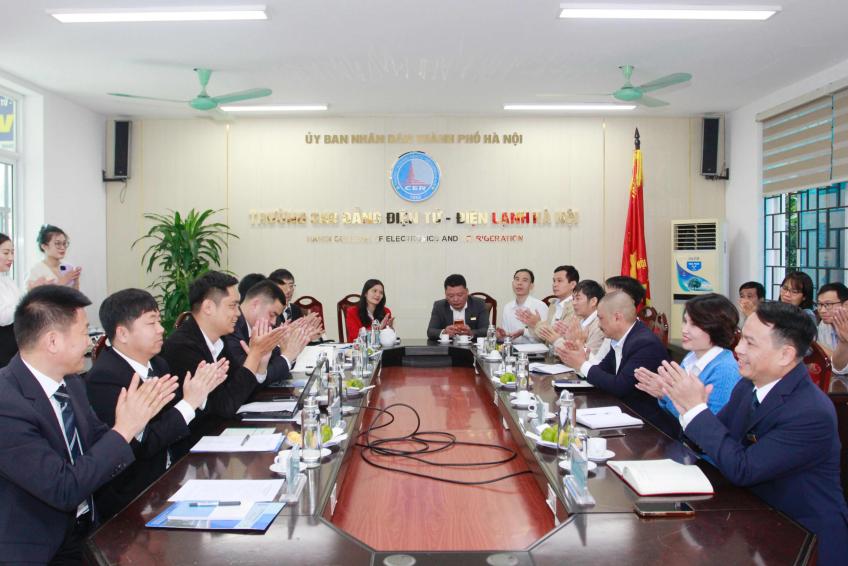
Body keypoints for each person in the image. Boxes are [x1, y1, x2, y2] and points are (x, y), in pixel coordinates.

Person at [656, 301, 848, 564]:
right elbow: (715, 440)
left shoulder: (810, 411)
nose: (738, 349)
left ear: (785, 355)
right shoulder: (748, 386)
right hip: (759, 522)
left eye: (750, 343)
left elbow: (743, 468)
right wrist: (689, 411)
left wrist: (697, 411)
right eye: (741, 339)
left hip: (805, 539)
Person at [0, 285, 176, 564]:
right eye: (84, 333)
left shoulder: (71, 383)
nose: (92, 343)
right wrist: (125, 428)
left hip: (88, 529)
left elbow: (100, 443)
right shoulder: (6, 402)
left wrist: (134, 424)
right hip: (39, 549)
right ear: (53, 341)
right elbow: (63, 488)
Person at [86, 288, 228, 520]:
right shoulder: (106, 378)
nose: (161, 329)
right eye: (151, 323)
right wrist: (189, 403)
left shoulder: (158, 364)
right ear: (122, 333)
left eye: (159, 321)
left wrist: (198, 395)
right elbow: (144, 444)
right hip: (135, 499)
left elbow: (173, 426)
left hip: (173, 477)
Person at [160, 271, 285, 440]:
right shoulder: (182, 347)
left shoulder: (220, 341)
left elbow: (242, 390)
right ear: (208, 307)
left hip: (221, 434)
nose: (238, 313)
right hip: (194, 444)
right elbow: (225, 406)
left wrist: (261, 363)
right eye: (232, 306)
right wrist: (254, 355)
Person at [556, 290, 679, 437]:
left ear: (617, 317)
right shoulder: (620, 339)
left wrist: (582, 364)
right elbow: (602, 371)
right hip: (626, 415)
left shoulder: (644, 343)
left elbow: (620, 386)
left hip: (651, 429)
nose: (599, 324)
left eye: (601, 318)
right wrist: (580, 359)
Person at [634, 293, 741, 420]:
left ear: (717, 328)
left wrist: (666, 395)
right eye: (685, 321)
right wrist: (664, 392)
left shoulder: (725, 370)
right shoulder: (692, 356)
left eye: (694, 324)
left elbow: (710, 424)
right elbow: (676, 415)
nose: (684, 329)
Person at [223, 279, 312, 384]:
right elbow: (249, 380)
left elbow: (271, 366)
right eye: (272, 314)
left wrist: (286, 350)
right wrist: (287, 356)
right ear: (256, 304)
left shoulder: (258, 328)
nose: (274, 322)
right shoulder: (231, 330)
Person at [516, 265, 579, 342]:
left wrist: (537, 324)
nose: (555, 284)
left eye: (559, 281)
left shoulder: (577, 307)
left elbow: (559, 338)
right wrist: (532, 325)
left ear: (572, 284)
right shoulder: (553, 305)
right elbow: (544, 339)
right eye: (554, 281)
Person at [426, 274, 490, 340]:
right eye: (451, 296)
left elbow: (486, 330)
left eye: (460, 295)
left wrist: (470, 333)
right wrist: (444, 332)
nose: (455, 299)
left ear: (467, 292)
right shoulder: (439, 306)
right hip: (448, 345)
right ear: (445, 294)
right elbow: (430, 331)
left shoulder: (479, 304)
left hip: (471, 345)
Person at [498, 269, 548, 344]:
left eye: (524, 280)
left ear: (531, 286)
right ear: (512, 283)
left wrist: (524, 332)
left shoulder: (540, 306)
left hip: (535, 350)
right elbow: (506, 337)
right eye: (517, 279)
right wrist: (501, 335)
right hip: (512, 349)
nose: (519, 283)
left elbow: (545, 336)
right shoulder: (507, 307)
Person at [26, 224, 81, 290]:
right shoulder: (36, 271)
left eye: (64, 243)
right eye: (57, 243)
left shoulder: (67, 267)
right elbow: (33, 295)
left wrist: (76, 281)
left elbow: (75, 294)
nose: (63, 247)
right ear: (44, 246)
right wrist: (62, 282)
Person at [0, 233, 20, 366]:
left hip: (14, 344)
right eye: (6, 253)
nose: (11, 258)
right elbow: (2, 317)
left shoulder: (8, 280)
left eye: (12, 252)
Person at [814, 282, 848, 355]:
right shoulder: (824, 325)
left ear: (846, 305)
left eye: (828, 304)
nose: (822, 310)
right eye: (820, 304)